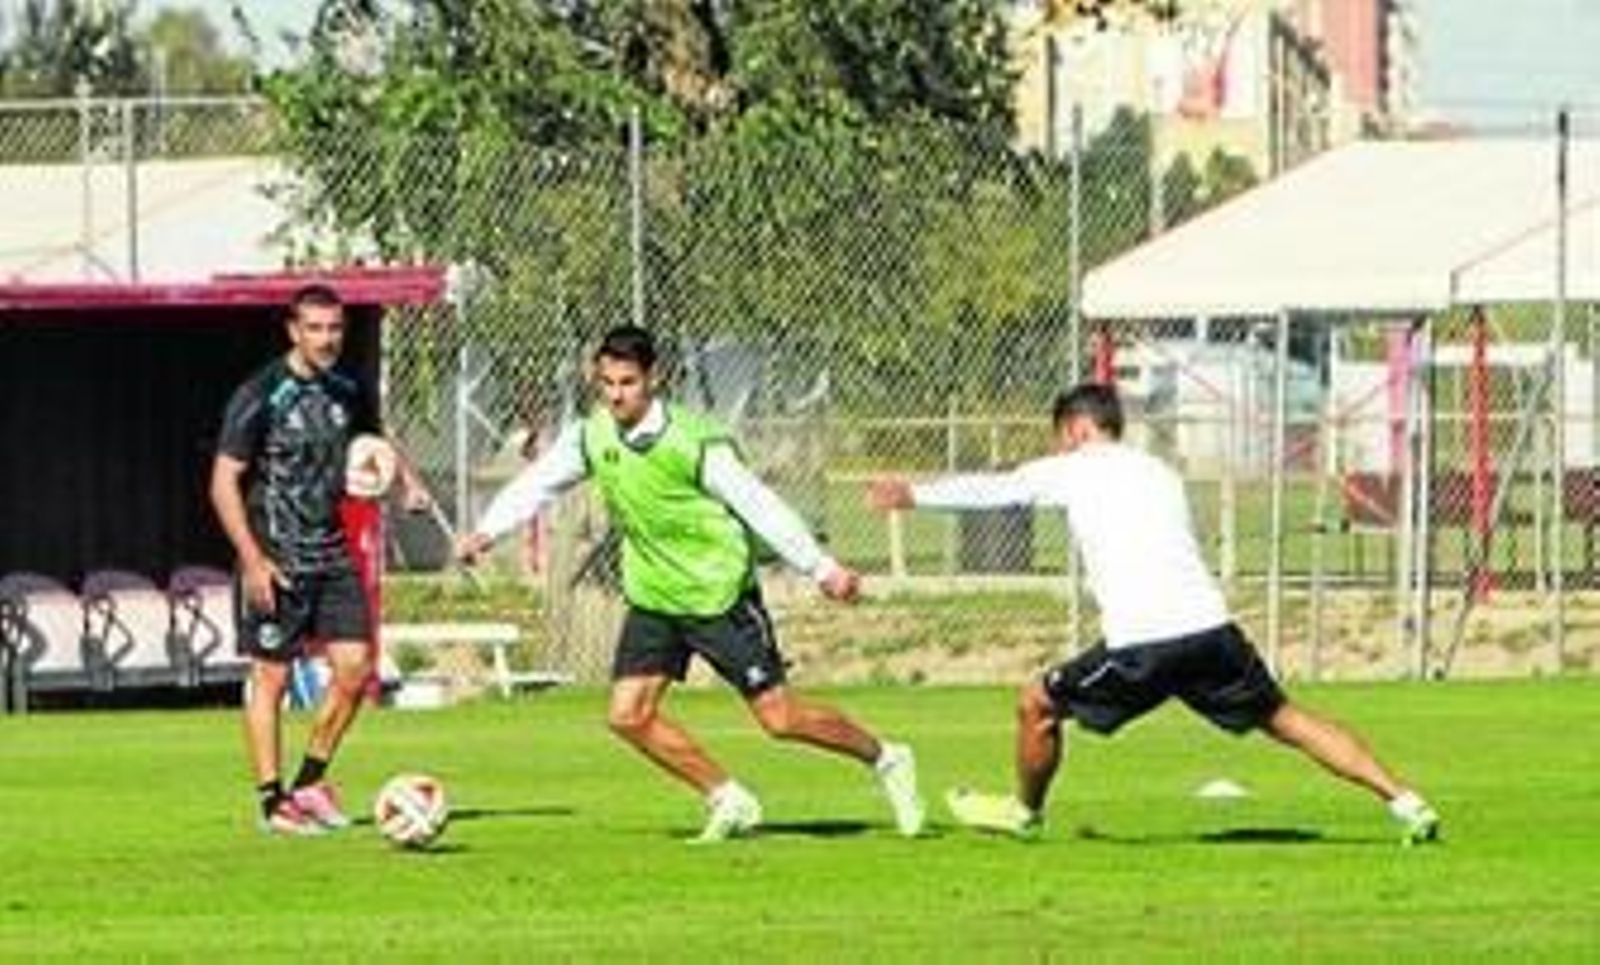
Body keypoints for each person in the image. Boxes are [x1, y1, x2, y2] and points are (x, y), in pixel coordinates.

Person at [868, 382, 1441, 846]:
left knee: (1035, 704)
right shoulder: (1159, 472)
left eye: (1061, 437)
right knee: (1285, 718)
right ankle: (1405, 801)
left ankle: (1026, 814)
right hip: (1212, 631)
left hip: (1144, 645)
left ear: (1075, 429)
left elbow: (999, 490)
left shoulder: (1074, 466)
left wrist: (914, 495)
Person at [456, 325, 925, 842]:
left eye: (627, 382)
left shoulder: (692, 440)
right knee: (627, 715)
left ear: (653, 379)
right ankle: (728, 798)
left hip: (716, 594)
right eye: (606, 382)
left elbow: (758, 505)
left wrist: (822, 568)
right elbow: (537, 483)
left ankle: (886, 758)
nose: (615, 394)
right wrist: (487, 530)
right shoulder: (593, 435)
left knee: (780, 719)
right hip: (655, 597)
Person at [210, 283, 427, 836]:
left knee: (355, 670)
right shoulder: (260, 394)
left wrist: (407, 484)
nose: (327, 339)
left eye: (334, 328)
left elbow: (377, 441)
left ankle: (309, 782)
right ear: (293, 330)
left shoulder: (347, 388)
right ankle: (271, 800)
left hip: (331, 554)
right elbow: (222, 483)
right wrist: (253, 561)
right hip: (277, 558)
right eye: (315, 328)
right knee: (272, 678)